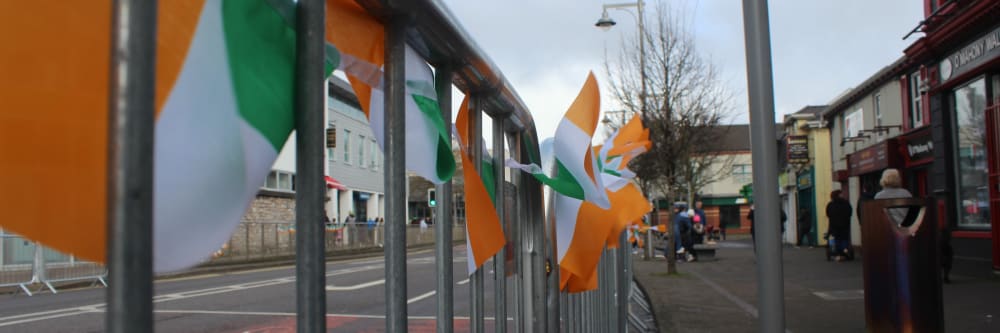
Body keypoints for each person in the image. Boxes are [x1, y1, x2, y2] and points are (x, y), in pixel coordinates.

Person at [825, 190, 853, 261]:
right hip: (844, 226)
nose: (842, 195)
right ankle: (844, 252)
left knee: (835, 239)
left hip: (834, 226)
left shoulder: (830, 205)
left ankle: (836, 253)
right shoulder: (846, 204)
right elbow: (849, 213)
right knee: (844, 239)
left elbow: (828, 214)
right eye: (841, 194)